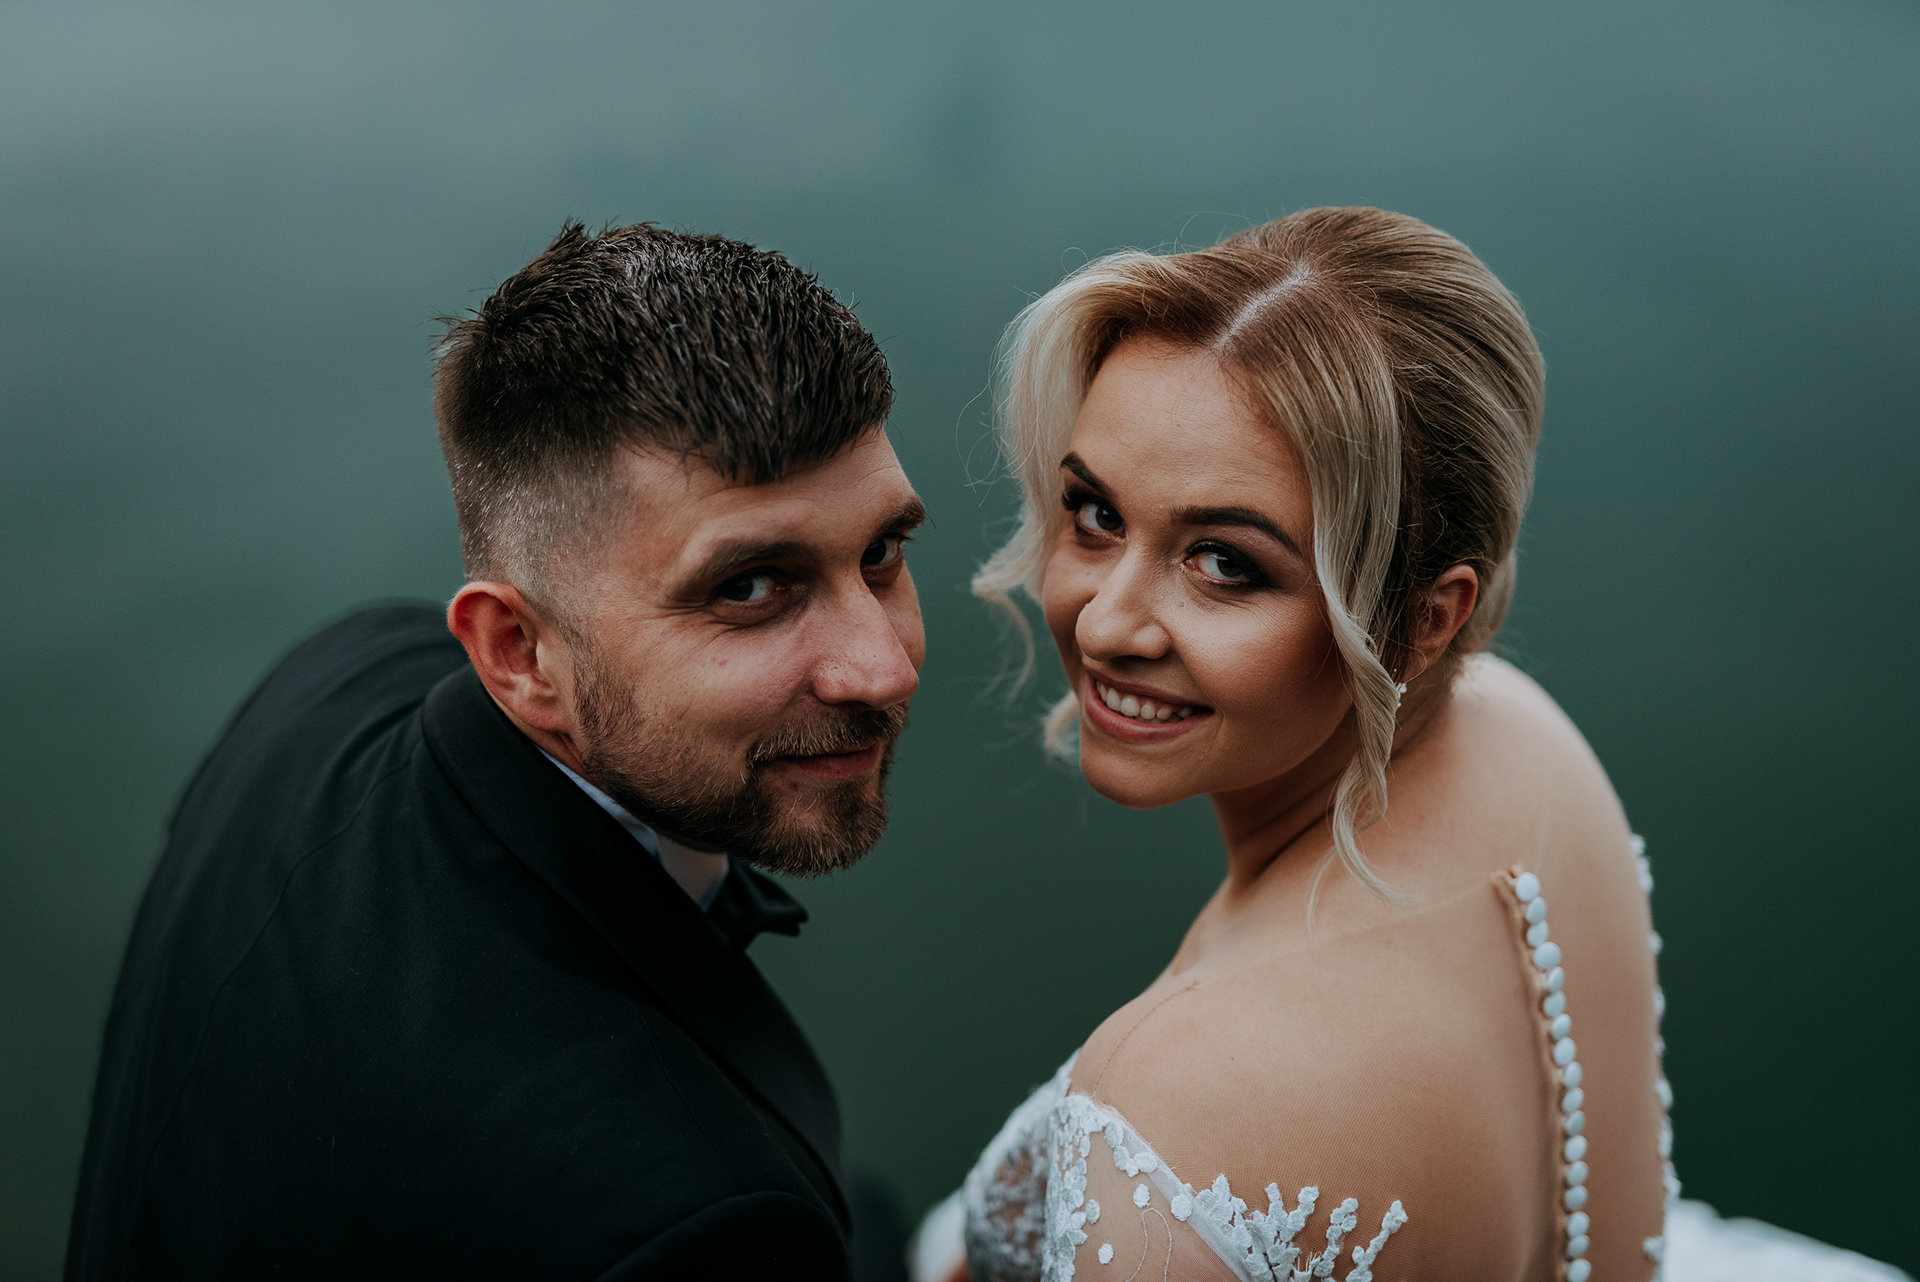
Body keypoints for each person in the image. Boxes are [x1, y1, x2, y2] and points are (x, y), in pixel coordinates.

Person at [914, 208, 1907, 1281]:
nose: (1106, 623)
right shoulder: (1528, 735)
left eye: (1225, 562)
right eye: (1095, 514)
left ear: (1424, 621)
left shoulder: (1170, 1106)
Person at [67, 223, 925, 1280]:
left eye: (882, 552)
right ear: (517, 653)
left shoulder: (337, 674)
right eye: (749, 587)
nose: (883, 668)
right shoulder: (686, 1219)